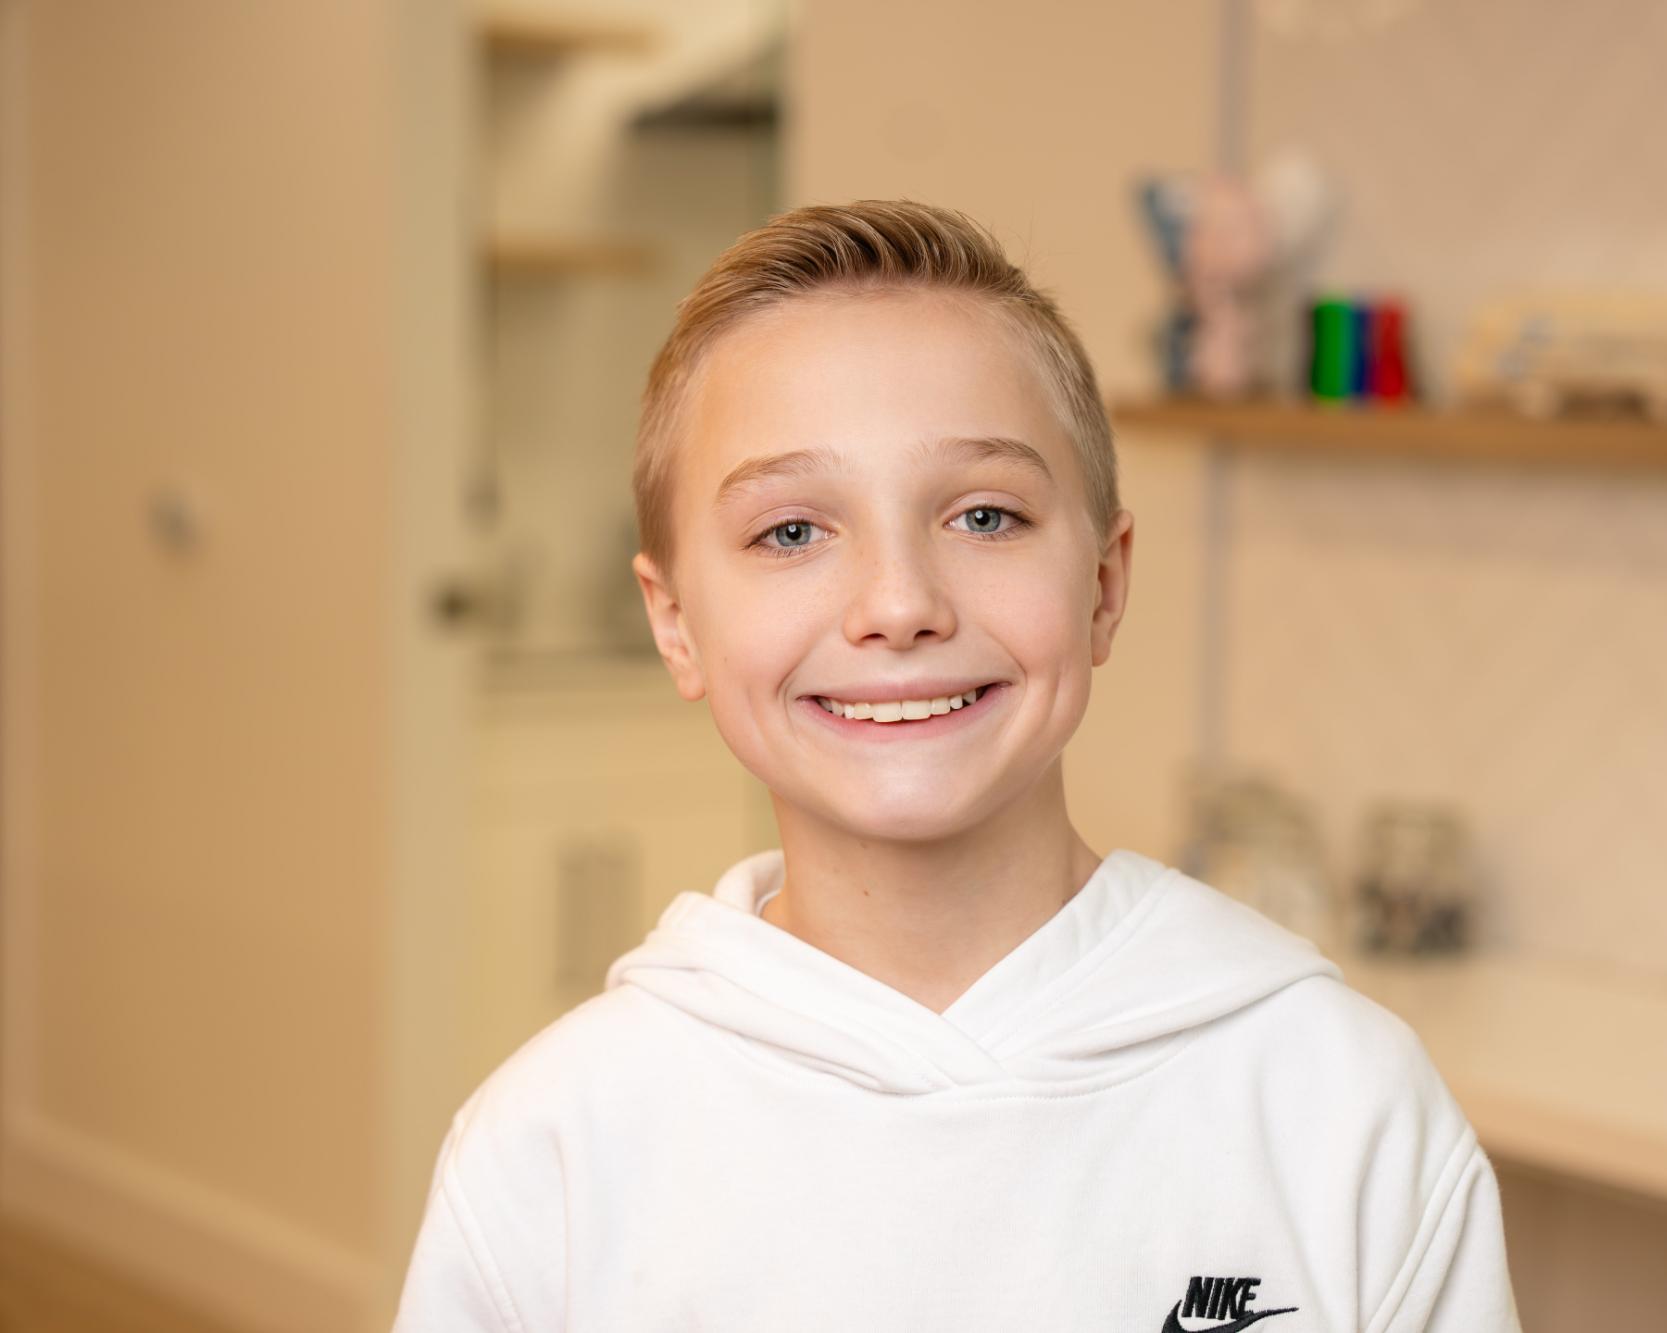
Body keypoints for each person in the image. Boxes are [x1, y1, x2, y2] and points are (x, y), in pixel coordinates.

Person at [391, 200, 1521, 1331]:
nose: (898, 605)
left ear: (1103, 585)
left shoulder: (1340, 1104)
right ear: (675, 621)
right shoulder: (554, 1154)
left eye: (983, 515)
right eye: (790, 531)